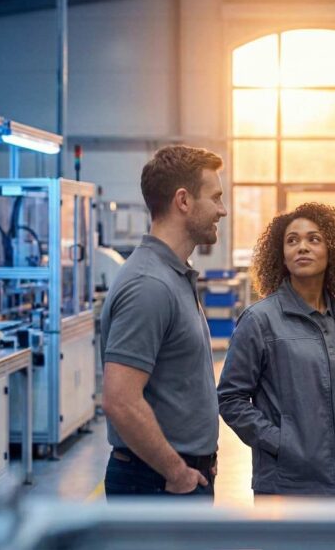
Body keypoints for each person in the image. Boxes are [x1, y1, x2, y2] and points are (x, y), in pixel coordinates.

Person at [218, 203, 335, 496]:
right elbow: (230, 398)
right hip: (287, 479)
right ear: (282, 255)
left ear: (333, 250)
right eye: (292, 240)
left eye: (314, 239)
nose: (302, 247)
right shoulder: (260, 320)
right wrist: (282, 443)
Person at [99, 145, 227, 497]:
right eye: (215, 198)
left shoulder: (172, 276)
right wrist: (177, 470)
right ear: (183, 201)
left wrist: (199, 458)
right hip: (157, 483)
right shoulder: (150, 285)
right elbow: (120, 399)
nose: (223, 210)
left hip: (175, 477)